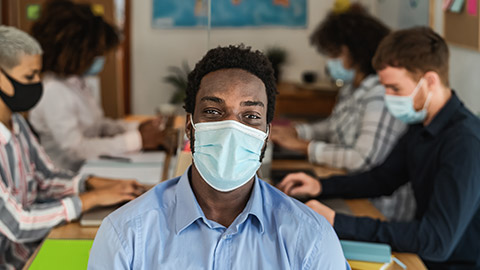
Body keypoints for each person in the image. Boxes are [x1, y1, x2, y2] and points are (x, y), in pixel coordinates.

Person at [88, 45, 350, 269]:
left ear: (266, 135)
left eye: (250, 116)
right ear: (190, 126)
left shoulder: (312, 238)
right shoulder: (126, 234)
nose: (231, 129)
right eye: (213, 112)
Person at [278, 27, 480, 269]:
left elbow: (436, 240)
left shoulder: (464, 142)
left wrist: (338, 221)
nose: (387, 97)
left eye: (395, 88)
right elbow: (382, 179)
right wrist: (321, 186)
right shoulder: (421, 124)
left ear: (430, 81)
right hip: (424, 255)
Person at [0, 25, 144, 269]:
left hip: (35, 246)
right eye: (29, 77)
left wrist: (90, 184)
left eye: (38, 74)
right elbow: (17, 224)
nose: (38, 84)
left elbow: (46, 177)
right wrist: (90, 200)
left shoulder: (17, 123)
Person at [271, 5, 411, 221]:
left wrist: (305, 146)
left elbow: (361, 159)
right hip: (346, 184)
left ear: (355, 52)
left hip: (374, 206)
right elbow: (333, 126)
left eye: (335, 54)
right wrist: (296, 132)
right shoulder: (352, 86)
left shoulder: (379, 93)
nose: (330, 61)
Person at [29, 0, 166, 172]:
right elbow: (76, 150)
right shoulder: (53, 91)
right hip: (68, 177)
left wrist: (136, 128)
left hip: (94, 168)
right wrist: (138, 139)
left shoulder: (77, 83)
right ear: (76, 52)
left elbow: (98, 127)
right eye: (96, 53)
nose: (100, 59)